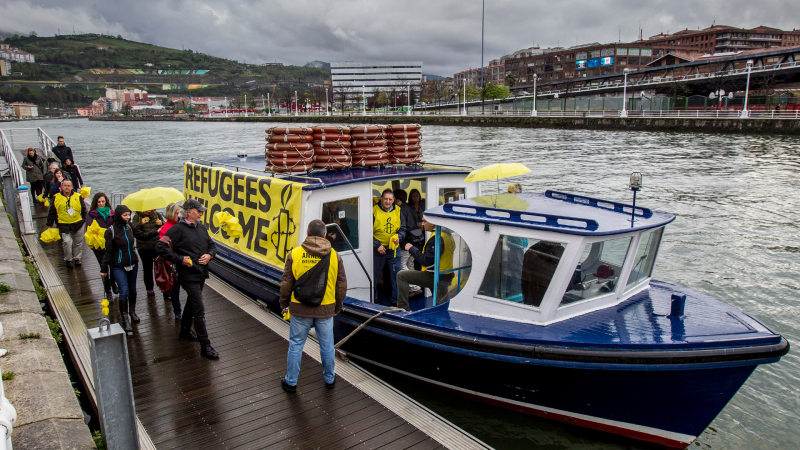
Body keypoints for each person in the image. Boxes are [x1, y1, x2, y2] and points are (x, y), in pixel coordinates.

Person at [280, 220, 347, 393]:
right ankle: (330, 379)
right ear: (324, 235)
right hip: (325, 309)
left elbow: (286, 283)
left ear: (308, 234)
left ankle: (291, 382)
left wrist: (284, 303)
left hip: (300, 307)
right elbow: (341, 285)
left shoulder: (294, 254)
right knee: (327, 346)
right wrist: (337, 307)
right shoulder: (335, 256)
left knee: (296, 344)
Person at [155, 199, 218, 359]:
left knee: (192, 302)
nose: (201, 213)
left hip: (201, 272)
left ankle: (184, 330)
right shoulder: (177, 229)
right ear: (189, 211)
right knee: (199, 310)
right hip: (187, 275)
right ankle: (205, 346)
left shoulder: (202, 228)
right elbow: (160, 247)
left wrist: (209, 255)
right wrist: (179, 259)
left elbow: (212, 245)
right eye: (199, 211)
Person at [100, 205, 158, 334]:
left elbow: (142, 236)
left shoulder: (130, 227)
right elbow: (108, 252)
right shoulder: (111, 231)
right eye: (124, 215)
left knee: (133, 289)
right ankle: (124, 318)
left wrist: (157, 231)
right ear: (118, 216)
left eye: (128, 215)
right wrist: (104, 269)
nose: (127, 217)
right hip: (118, 265)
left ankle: (132, 311)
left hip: (133, 263)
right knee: (124, 291)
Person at [396, 219, 453, 311]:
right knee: (441, 303)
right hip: (445, 275)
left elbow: (425, 261)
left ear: (433, 223)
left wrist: (411, 248)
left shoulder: (437, 238)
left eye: (425, 221)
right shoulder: (447, 235)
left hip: (436, 276)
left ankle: (402, 309)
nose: (422, 224)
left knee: (401, 275)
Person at [373, 189, 407, 306]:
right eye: (385, 199)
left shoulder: (398, 210)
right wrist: (377, 245)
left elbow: (403, 228)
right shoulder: (373, 211)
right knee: (374, 275)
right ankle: (374, 298)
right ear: (381, 199)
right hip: (378, 250)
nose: (387, 201)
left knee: (397, 276)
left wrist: (400, 238)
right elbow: (366, 231)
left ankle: (395, 301)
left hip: (393, 249)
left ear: (394, 201)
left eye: (390, 199)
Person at [45, 180, 86, 268]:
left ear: (72, 187)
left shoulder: (78, 196)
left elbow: (84, 209)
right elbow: (52, 212)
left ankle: (77, 258)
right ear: (62, 187)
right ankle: (68, 259)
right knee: (67, 242)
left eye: (68, 186)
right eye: (65, 186)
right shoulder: (56, 197)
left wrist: (85, 220)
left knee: (78, 242)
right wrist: (49, 224)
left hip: (78, 223)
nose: (67, 187)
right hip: (64, 224)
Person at [87, 193, 116, 300]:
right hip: (98, 246)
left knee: (114, 265)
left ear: (106, 202)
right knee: (104, 268)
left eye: (103, 201)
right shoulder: (91, 214)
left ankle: (113, 283)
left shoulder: (112, 214)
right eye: (99, 202)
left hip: (111, 244)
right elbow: (90, 228)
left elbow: (116, 226)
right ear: (95, 203)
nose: (101, 204)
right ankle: (108, 292)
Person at [394, 189, 421, 293]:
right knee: (411, 265)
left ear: (397, 199)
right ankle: (414, 286)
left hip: (406, 241)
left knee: (402, 265)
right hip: (414, 240)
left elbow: (403, 227)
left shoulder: (400, 209)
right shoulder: (409, 208)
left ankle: (415, 288)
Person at [133, 209, 164, 297]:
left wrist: (161, 223)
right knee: (147, 268)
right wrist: (141, 223)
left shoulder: (157, 215)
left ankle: (163, 286)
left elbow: (165, 228)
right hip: (144, 247)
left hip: (157, 246)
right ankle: (149, 288)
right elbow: (133, 230)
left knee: (161, 267)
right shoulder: (137, 217)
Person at [159, 202, 183, 320]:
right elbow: (164, 248)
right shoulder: (166, 228)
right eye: (177, 213)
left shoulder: (182, 224)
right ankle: (177, 310)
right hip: (172, 263)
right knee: (175, 289)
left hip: (182, 260)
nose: (179, 215)